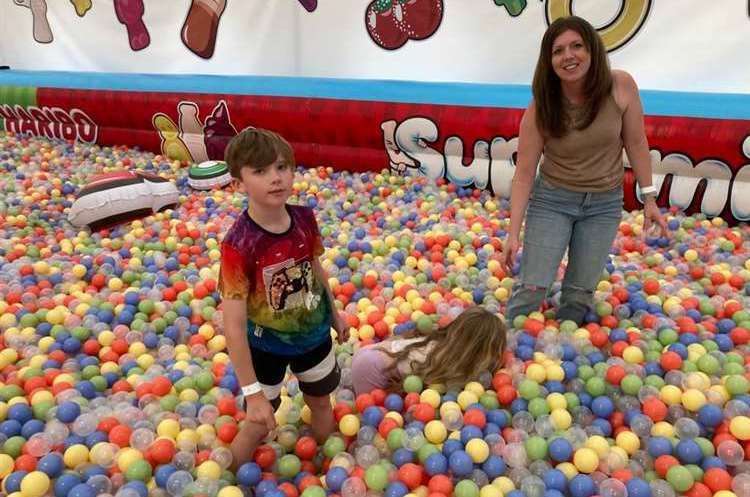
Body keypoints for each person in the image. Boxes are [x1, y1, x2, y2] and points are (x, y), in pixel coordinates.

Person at [502, 16, 667, 326]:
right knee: (532, 289)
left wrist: (649, 198)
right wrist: (512, 234)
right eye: (558, 50)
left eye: (577, 46)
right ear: (549, 61)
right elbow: (524, 173)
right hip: (553, 200)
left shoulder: (620, 86)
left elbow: (635, 141)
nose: (569, 56)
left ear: (592, 50)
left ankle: (567, 346)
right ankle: (507, 346)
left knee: (578, 296)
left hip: (603, 205)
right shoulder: (542, 107)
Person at [218, 128, 348, 469]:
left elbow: (315, 268)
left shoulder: (304, 218)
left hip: (313, 337)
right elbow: (232, 324)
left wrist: (334, 314)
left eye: (281, 167)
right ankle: (227, 477)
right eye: (259, 171)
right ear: (238, 184)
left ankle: (325, 468)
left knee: (321, 403)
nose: (275, 178)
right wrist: (252, 392)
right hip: (265, 347)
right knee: (257, 421)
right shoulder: (239, 244)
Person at [350, 306, 507, 395]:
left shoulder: (446, 344)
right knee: (371, 412)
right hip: (370, 366)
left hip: (376, 351)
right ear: (478, 349)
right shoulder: (455, 365)